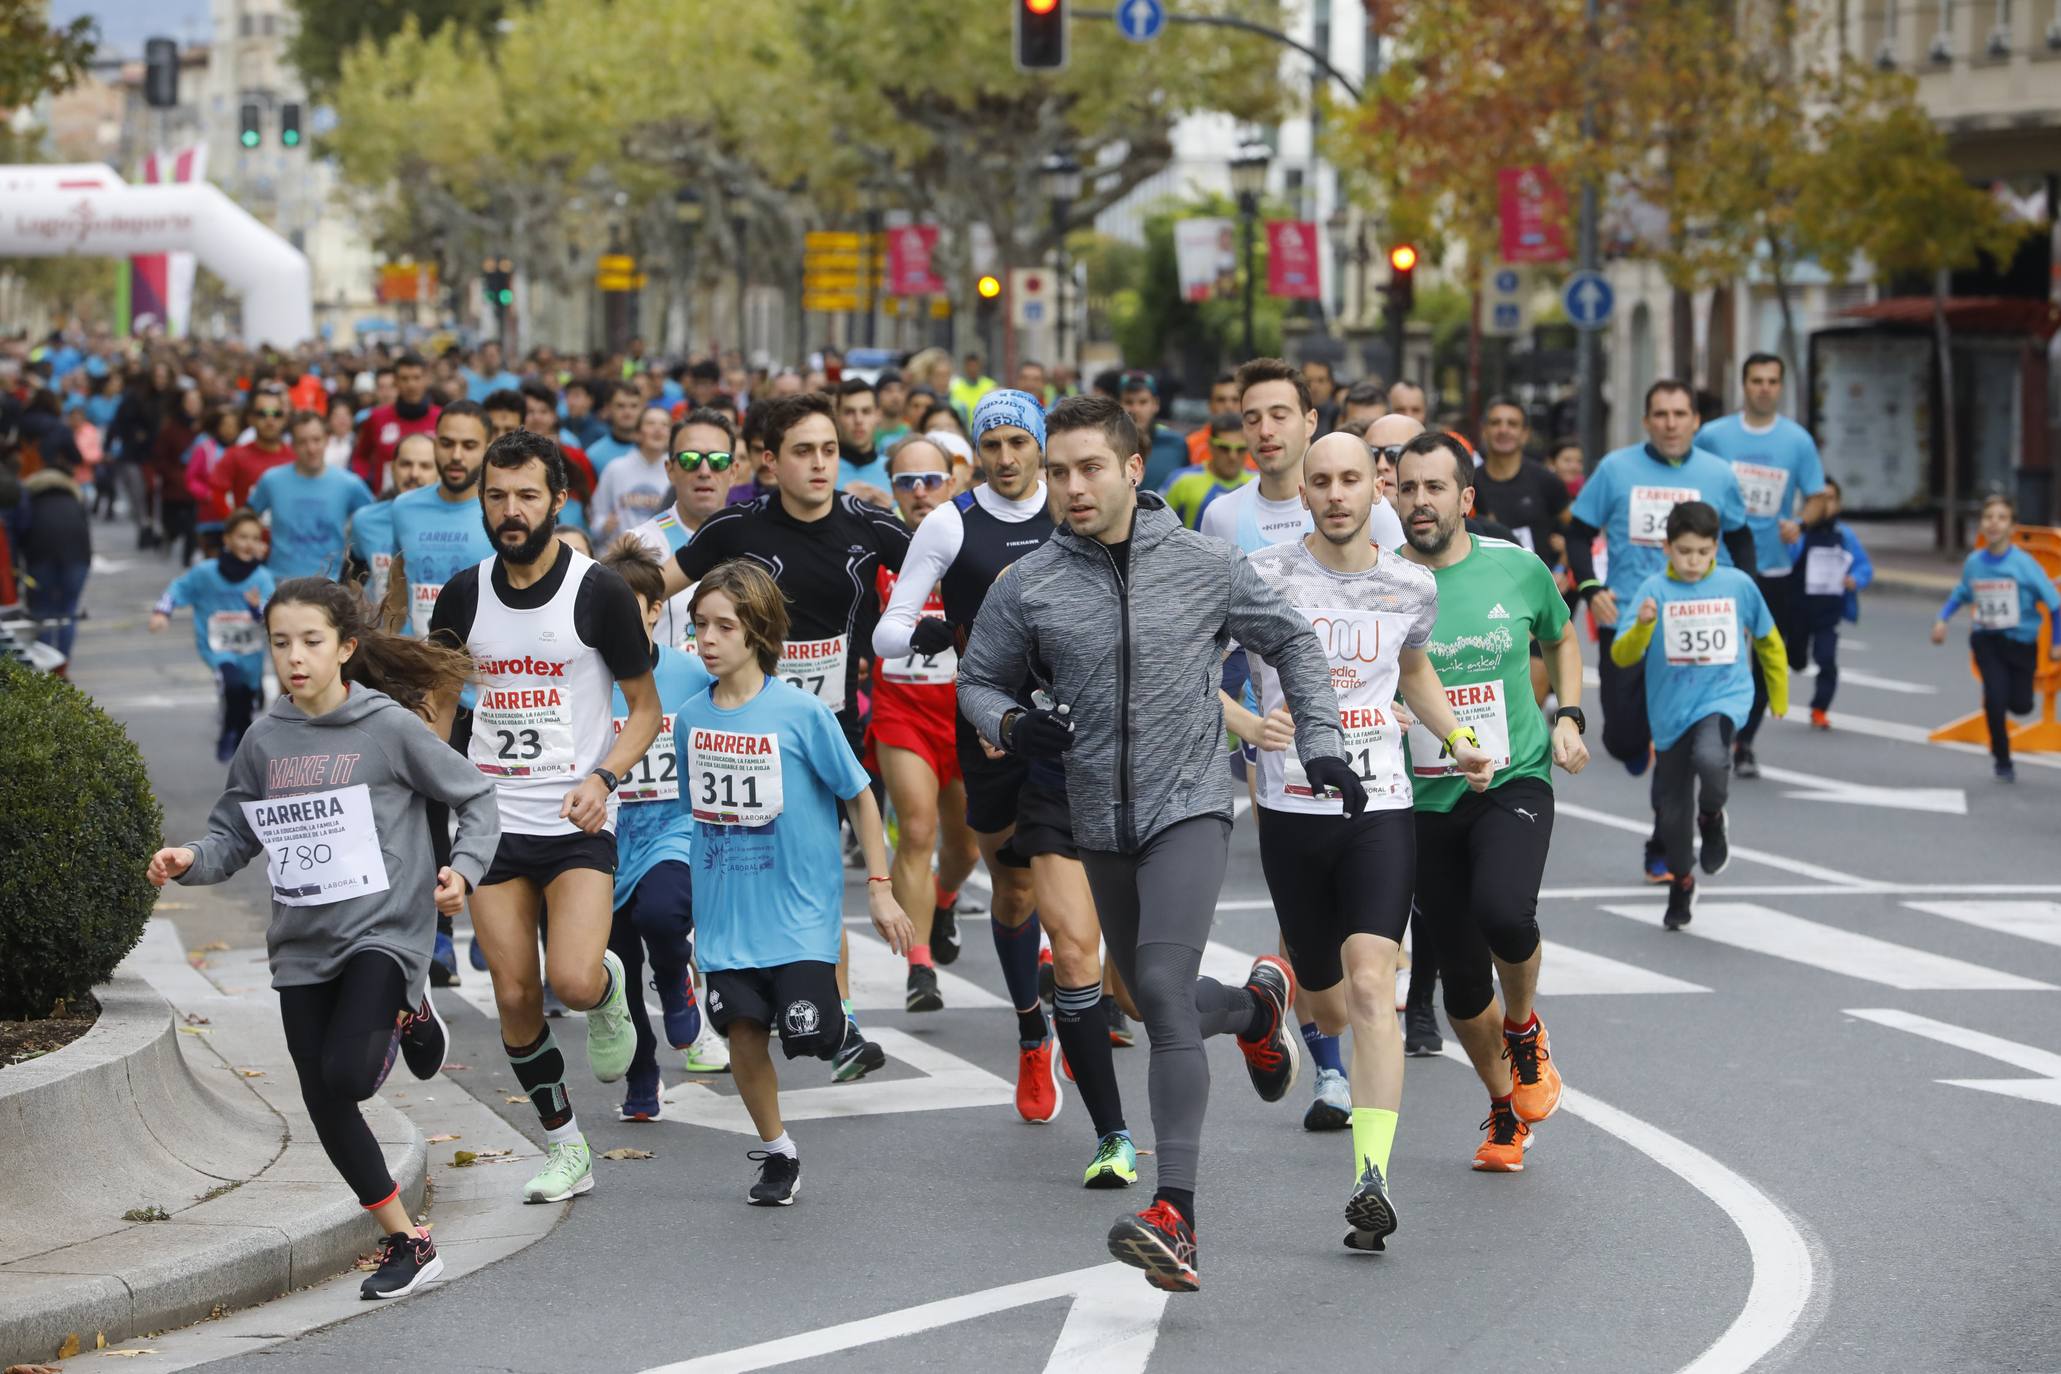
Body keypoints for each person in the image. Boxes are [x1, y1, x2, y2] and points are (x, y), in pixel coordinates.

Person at [959, 394, 1358, 1292]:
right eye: (1057, 472)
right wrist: (1013, 722)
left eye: (1088, 468)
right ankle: (1257, 1007)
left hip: (1187, 805)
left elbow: (1293, 640)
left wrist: (1322, 744)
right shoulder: (1029, 584)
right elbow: (976, 682)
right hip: (1096, 818)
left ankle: (1174, 1213)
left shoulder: (1206, 564)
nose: (1070, 487)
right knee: (1140, 999)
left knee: (1166, 995)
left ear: (1133, 469)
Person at [148, 576, 498, 1300]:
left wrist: (462, 871)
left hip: (383, 934)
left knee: (344, 1074)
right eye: (281, 643)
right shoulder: (266, 739)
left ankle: (406, 1001)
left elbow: (475, 794)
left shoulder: (387, 728)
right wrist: (190, 861)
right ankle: (409, 1240)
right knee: (324, 1101)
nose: (294, 657)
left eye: (311, 641)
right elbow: (232, 832)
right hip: (302, 941)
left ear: (346, 647)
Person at [1239, 432, 1496, 1253]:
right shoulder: (1262, 577)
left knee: (1369, 983)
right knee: (1323, 1003)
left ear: (1374, 488)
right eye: (1323, 481)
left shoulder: (1408, 585)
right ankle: (1276, 998)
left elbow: (1413, 670)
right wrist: (1251, 722)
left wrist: (1454, 736)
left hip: (1381, 801)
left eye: (1353, 478)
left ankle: (1371, 1180)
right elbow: (1184, 665)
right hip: (1290, 808)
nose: (1339, 493)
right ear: (1303, 492)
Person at [426, 429, 661, 1202]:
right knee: (517, 995)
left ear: (557, 500)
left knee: (571, 978)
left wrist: (603, 776)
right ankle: (565, 1146)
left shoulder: (595, 592)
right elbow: (437, 709)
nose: (510, 511)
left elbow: (644, 710)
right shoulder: (465, 593)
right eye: (497, 496)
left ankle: (606, 986)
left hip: (575, 823)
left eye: (527, 495)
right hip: (492, 825)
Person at [658, 391, 912, 1082]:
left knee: (817, 874)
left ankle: (843, 1018)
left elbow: (940, 570)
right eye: (803, 451)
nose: (820, 464)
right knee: (742, 873)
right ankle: (720, 992)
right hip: (740, 731)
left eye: (829, 450)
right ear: (768, 462)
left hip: (824, 728)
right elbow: (654, 586)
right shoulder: (737, 526)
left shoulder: (867, 525)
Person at [873, 391, 1104, 1135]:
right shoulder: (950, 522)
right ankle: (1032, 1031)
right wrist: (936, 632)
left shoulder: (1074, 505)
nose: (1006, 458)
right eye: (992, 444)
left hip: (1077, 725)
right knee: (1011, 894)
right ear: (976, 453)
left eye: (1018, 442)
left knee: (1076, 888)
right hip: (994, 726)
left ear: (1040, 445)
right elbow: (888, 631)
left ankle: (1073, 1005)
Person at [676, 560, 914, 1204]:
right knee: (743, 1032)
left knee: (810, 1035)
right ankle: (779, 1153)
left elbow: (862, 796)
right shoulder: (689, 719)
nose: (708, 639)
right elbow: (694, 813)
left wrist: (880, 884)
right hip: (727, 917)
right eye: (700, 625)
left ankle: (837, 1025)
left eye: (724, 626)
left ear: (757, 632)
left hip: (800, 914)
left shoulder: (803, 714)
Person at [1208, 359, 1408, 1097]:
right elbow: (1211, 644)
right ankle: (1324, 1066)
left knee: (1364, 965)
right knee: (1311, 930)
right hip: (1281, 760)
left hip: (1371, 756)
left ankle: (1322, 1049)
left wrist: (1419, 709)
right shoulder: (1227, 519)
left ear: (1309, 422)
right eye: (1250, 417)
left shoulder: (1370, 509)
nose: (1263, 429)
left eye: (1278, 414)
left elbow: (1403, 616)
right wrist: (1246, 724)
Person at [1395, 432, 1589, 1173]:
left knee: (1505, 910)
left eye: (1434, 488)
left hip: (1514, 777)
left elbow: (1562, 640)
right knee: (1459, 978)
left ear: (1464, 500)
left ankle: (1524, 1029)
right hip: (1422, 800)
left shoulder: (1516, 568)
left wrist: (1567, 716)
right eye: (1406, 488)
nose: (1419, 501)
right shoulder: (1384, 584)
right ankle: (1504, 1109)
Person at [1564, 379, 1754, 883]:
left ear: (1695, 421)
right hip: (1629, 619)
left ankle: (1664, 845)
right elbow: (1579, 533)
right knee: (1624, 739)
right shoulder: (1616, 469)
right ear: (1647, 421)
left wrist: (1747, 607)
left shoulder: (1718, 474)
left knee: (1681, 750)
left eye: (1680, 414)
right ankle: (1637, 749)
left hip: (1695, 625)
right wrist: (1589, 586)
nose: (1671, 423)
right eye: (1661, 414)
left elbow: (1740, 540)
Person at [1610, 501, 1787, 928]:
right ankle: (1682, 881)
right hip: (1671, 713)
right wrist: (1643, 626)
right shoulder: (1653, 589)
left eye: (1703, 552)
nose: (1694, 561)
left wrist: (1778, 695)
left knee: (1711, 757)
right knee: (1671, 816)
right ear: (1667, 546)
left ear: (1716, 547)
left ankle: (1711, 816)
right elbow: (1621, 654)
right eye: (1685, 551)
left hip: (1723, 697)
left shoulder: (1738, 585)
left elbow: (1768, 640)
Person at [596, 538, 723, 1119]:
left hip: (675, 826)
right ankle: (642, 1077)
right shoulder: (588, 680)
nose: (624, 615)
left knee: (664, 914)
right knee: (618, 967)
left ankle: (675, 976)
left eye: (636, 604)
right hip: (606, 837)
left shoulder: (691, 673)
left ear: (655, 610)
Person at [866, 436, 980, 1016]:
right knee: (915, 829)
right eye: (906, 483)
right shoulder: (880, 548)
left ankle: (943, 900)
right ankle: (919, 969)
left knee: (967, 845)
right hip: (902, 713)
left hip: (967, 712)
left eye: (930, 480)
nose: (919, 493)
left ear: (953, 481)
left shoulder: (972, 540)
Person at [1694, 354, 1826, 778]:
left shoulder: (1797, 441)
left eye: (1772, 381)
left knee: (1769, 659)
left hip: (1774, 569)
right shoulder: (1714, 436)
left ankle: (1744, 740)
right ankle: (1703, 732)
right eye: (1756, 380)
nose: (1764, 388)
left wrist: (1801, 521)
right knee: (1716, 655)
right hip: (1718, 567)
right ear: (1744, 385)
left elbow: (1819, 496)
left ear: (1780, 387)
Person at [1930, 493, 2061, 782]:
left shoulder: (2024, 565)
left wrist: (2056, 643)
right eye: (1989, 518)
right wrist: (1942, 619)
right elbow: (1962, 592)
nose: (1994, 523)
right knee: (1995, 699)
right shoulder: (1975, 562)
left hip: (2021, 644)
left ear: (2012, 526)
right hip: (1987, 641)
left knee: (2022, 705)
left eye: (2001, 518)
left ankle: (2010, 720)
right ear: (1981, 525)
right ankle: (2003, 759)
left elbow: (2054, 604)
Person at [151, 510, 278, 760]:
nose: (248, 543)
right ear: (227, 539)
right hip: (216, 648)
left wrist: (256, 608)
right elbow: (178, 588)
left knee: (245, 701)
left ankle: (238, 734)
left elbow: (272, 614)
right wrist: (162, 612)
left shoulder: (262, 578)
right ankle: (229, 733)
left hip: (250, 652)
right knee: (231, 684)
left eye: (255, 537)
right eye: (242, 536)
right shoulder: (206, 573)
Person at [632, 409, 738, 649]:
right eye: (690, 460)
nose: (704, 471)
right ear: (670, 469)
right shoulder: (639, 543)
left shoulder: (754, 538)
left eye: (718, 461)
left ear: (733, 472)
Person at [1786, 477, 1872, 730]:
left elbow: (1864, 566)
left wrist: (1854, 579)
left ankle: (1819, 708)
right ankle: (1797, 659)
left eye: (1831, 498)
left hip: (1829, 611)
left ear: (1839, 503)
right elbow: (1784, 561)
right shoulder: (1799, 533)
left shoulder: (1844, 535)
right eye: (1819, 498)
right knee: (1796, 659)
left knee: (1826, 659)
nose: (1825, 505)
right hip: (1798, 609)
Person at [250, 412, 374, 580]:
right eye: (302, 442)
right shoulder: (272, 480)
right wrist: (254, 543)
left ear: (327, 440)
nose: (311, 449)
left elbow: (375, 521)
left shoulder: (349, 484)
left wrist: (358, 557)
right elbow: (246, 516)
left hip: (329, 583)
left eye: (316, 440)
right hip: (280, 582)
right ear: (292, 445)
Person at [16, 450, 94, 668]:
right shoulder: (74, 498)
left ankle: (45, 668)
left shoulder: (29, 499)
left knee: (42, 613)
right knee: (68, 612)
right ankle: (62, 665)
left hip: (40, 558)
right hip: (78, 559)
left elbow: (21, 530)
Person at [1472, 396, 1570, 562]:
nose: (1503, 430)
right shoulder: (1468, 482)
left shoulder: (1546, 481)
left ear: (1525, 434)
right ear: (1484, 430)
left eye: (1512, 424)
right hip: (1487, 582)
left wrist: (1562, 567)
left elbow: (1577, 532)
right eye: (1495, 423)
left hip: (1536, 583)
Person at [350, 434, 437, 614]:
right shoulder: (365, 520)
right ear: (392, 468)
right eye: (406, 464)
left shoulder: (454, 521)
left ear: (439, 472)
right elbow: (350, 576)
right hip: (381, 635)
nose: (414, 474)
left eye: (425, 466)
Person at [351, 353, 440, 495]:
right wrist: (367, 481)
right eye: (404, 378)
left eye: (416, 378)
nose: (411, 384)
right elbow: (360, 456)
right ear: (396, 382)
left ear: (426, 380)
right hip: (387, 503)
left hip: (430, 503)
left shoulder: (441, 419)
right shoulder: (376, 418)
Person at [589, 405, 675, 542]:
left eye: (665, 425)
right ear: (637, 433)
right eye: (651, 423)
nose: (658, 429)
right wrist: (604, 526)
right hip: (619, 556)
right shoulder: (615, 469)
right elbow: (597, 515)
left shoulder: (676, 472)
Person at [1161, 414, 1253, 529]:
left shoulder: (1258, 483)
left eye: (1240, 449)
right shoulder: (1182, 480)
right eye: (1224, 448)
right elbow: (1158, 527)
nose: (1233, 456)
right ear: (1211, 446)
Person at [214, 388, 295, 512]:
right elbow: (217, 492)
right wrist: (235, 525)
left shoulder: (296, 458)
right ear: (251, 418)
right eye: (262, 413)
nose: (270, 419)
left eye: (276, 413)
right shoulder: (235, 455)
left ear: (284, 418)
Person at [1119, 371, 1190, 494]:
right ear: (1119, 404)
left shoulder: (1176, 444)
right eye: (1129, 402)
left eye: (1143, 402)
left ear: (1156, 404)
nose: (1135, 409)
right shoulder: (1108, 446)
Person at [833, 378, 891, 506]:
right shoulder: (822, 470)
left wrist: (890, 514)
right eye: (849, 412)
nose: (858, 420)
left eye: (866, 411)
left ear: (878, 415)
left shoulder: (893, 470)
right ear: (836, 417)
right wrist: (838, 504)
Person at [1182, 373, 1242, 467]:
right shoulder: (1190, 444)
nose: (1228, 406)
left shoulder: (1257, 443)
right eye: (1221, 400)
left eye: (1235, 400)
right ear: (1210, 405)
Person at [586, 383, 646, 470]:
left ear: (642, 408)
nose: (627, 412)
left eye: (634, 406)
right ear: (608, 408)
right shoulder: (593, 456)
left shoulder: (655, 450)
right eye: (620, 406)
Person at [948, 351, 999, 421]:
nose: (972, 369)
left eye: (975, 366)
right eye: (970, 366)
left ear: (980, 366)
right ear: (965, 366)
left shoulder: (990, 386)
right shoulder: (955, 387)